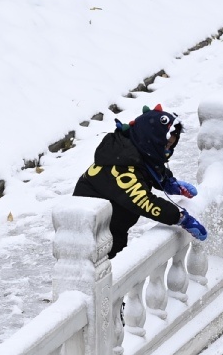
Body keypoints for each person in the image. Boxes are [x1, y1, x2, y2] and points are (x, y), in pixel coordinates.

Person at [73, 104, 208, 257]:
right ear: (151, 140)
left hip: (111, 229)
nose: (168, 151)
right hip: (91, 236)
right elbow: (145, 202)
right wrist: (180, 218)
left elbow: (148, 168)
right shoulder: (121, 169)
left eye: (171, 146)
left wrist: (167, 182)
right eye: (165, 145)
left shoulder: (130, 149)